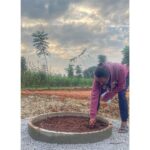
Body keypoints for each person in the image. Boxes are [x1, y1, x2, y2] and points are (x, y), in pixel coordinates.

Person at [89, 62, 129, 133]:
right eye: (98, 81)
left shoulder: (120, 70)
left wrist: (109, 95)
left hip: (124, 76)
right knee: (97, 95)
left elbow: (120, 87)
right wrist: (92, 115)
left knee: (122, 95)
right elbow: (94, 96)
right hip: (111, 78)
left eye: (102, 81)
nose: (100, 83)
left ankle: (124, 123)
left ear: (108, 78)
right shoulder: (98, 79)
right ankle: (94, 119)